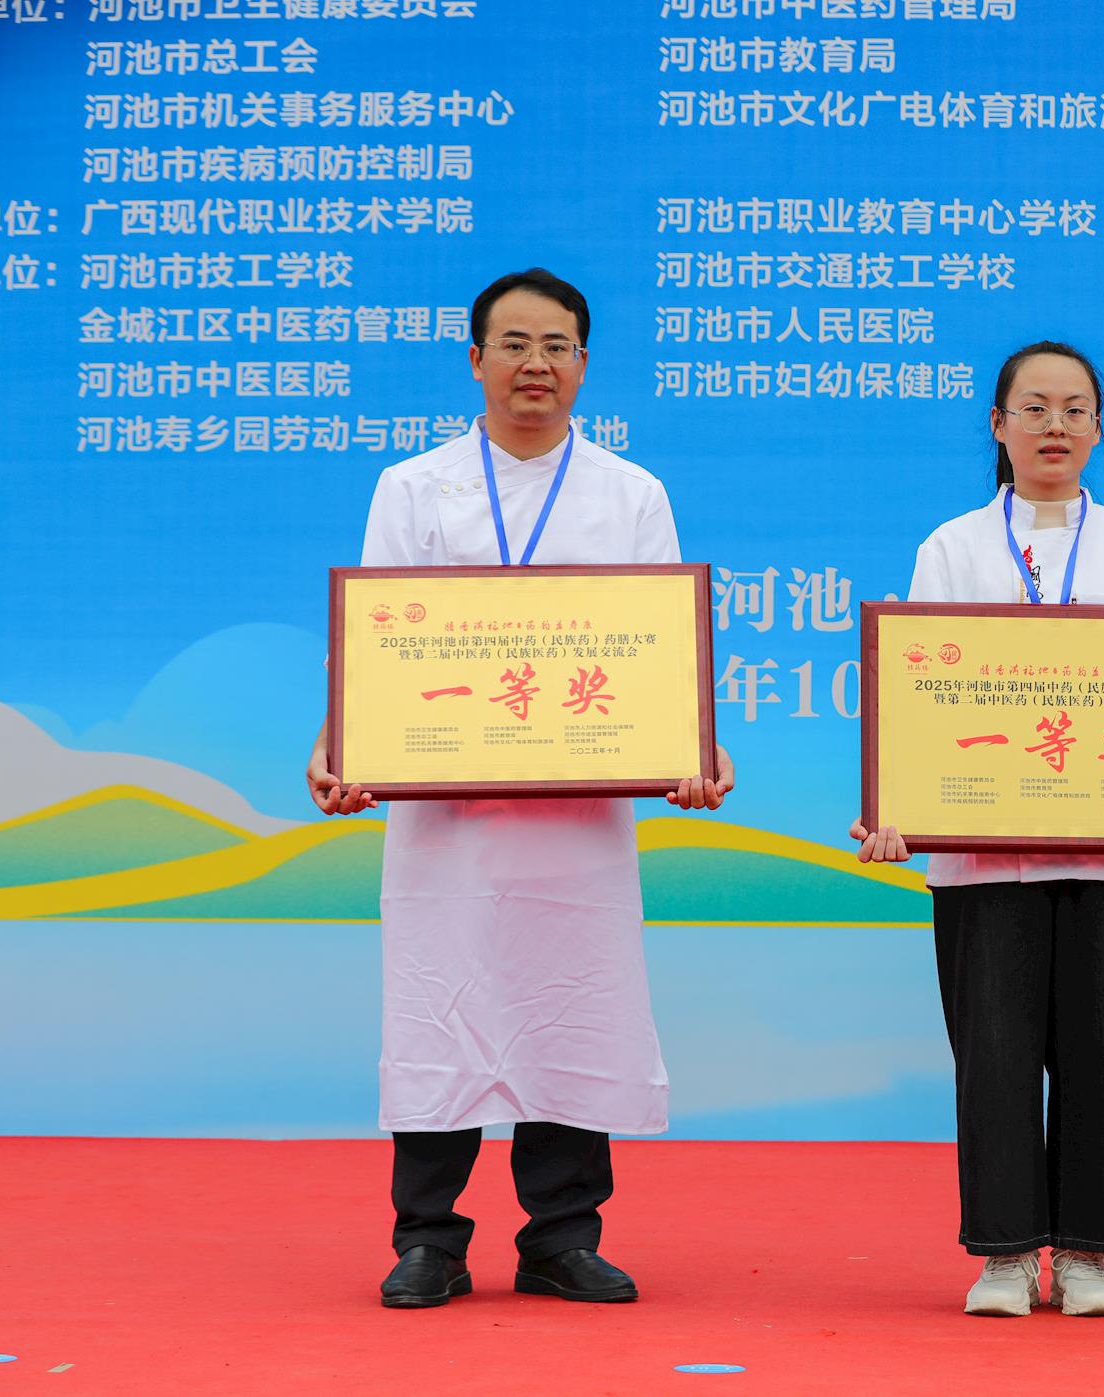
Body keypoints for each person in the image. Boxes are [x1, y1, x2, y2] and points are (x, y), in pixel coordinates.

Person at [306, 268, 735, 1309]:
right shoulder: (414, 487)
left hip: (576, 819)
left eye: (556, 345)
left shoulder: (631, 494)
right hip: (445, 818)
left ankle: (561, 1237)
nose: (534, 363)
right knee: (437, 1005)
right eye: (513, 343)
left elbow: (662, 651)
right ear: (475, 360)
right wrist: (336, 740)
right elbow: (374, 636)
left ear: (584, 364)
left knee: (571, 1003)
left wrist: (698, 746)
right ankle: (429, 1239)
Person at [850, 341, 1104, 1318]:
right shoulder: (952, 547)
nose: (1054, 426)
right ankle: (1002, 1252)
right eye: (1032, 407)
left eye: (1075, 409)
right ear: (997, 425)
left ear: (1097, 429)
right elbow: (919, 691)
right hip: (979, 856)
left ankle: (1087, 1253)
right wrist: (894, 804)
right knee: (993, 1054)